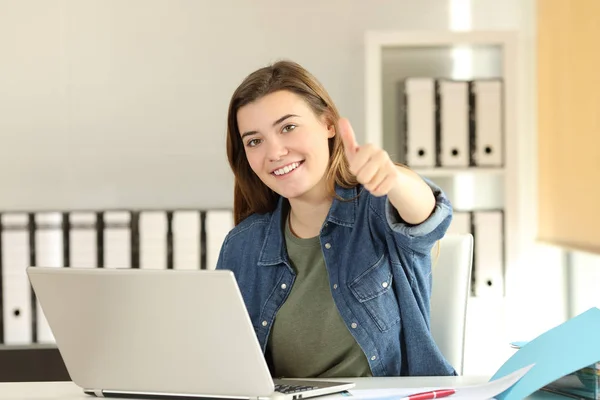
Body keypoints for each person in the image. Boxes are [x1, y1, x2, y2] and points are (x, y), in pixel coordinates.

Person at [216, 60, 455, 378]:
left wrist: (394, 178)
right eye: (254, 141)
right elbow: (224, 360)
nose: (274, 152)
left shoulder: (376, 207)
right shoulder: (243, 244)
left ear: (328, 124)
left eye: (288, 127)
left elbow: (428, 218)